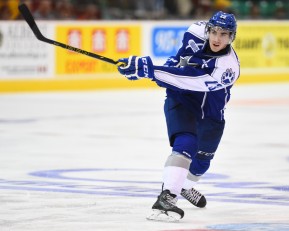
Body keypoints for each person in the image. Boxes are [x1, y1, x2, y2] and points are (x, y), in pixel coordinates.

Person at [117, 11, 239, 222]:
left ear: (231, 37)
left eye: (224, 34)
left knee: (202, 163)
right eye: (215, 32)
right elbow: (179, 61)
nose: (218, 38)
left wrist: (151, 71)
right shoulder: (194, 31)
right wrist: (150, 68)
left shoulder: (227, 67)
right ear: (208, 30)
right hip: (180, 100)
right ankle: (167, 198)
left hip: (210, 113)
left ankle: (185, 186)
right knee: (185, 144)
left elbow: (189, 80)